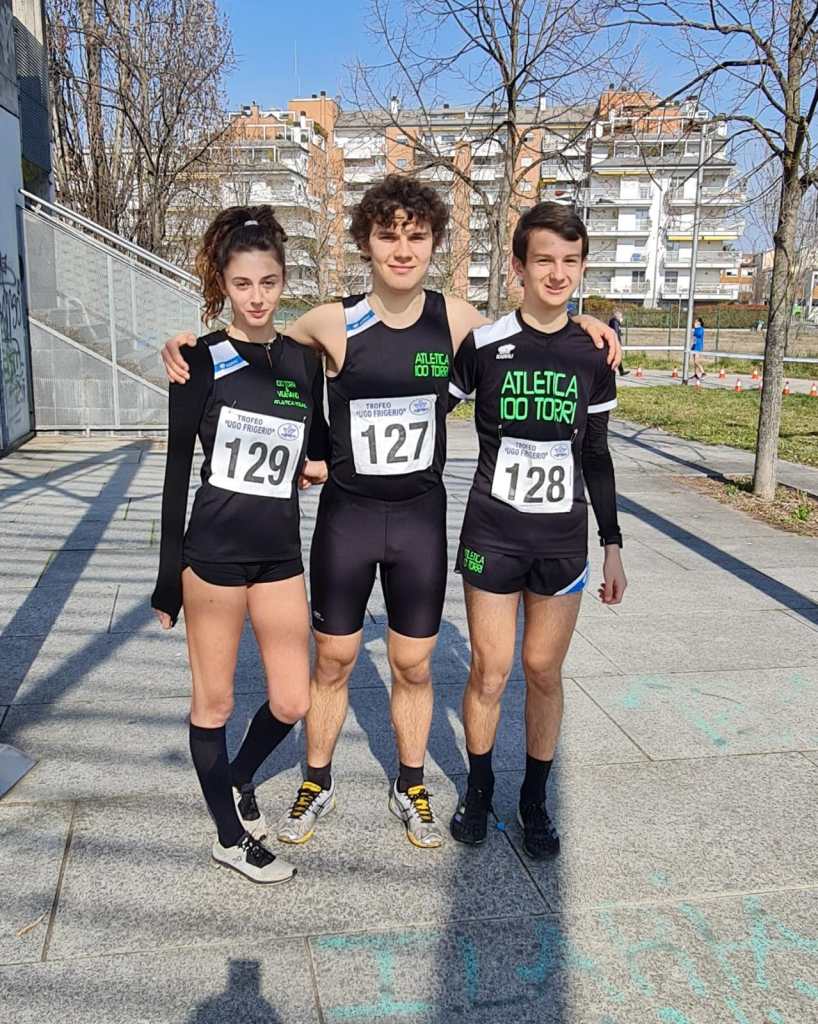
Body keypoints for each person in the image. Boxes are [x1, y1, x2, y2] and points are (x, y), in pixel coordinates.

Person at [159, 175, 621, 851]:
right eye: (387, 236)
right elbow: (256, 339)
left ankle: (411, 784)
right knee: (333, 660)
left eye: (417, 237)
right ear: (366, 244)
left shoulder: (457, 319)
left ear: (434, 243)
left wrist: (583, 322)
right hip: (347, 520)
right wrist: (186, 348)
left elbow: (533, 325)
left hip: (419, 522)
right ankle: (316, 780)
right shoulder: (329, 321)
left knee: (413, 664)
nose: (402, 250)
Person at [151, 206, 329, 883]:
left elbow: (314, 444)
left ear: (284, 281)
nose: (257, 297)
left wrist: (313, 465)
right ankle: (229, 838)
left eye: (269, 283)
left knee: (292, 700)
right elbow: (175, 471)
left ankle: (237, 776)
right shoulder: (197, 359)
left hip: (279, 554)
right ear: (223, 285)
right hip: (213, 556)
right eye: (243, 284)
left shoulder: (303, 361)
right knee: (215, 703)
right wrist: (167, 578)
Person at [447, 202, 627, 859]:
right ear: (518, 266)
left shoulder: (593, 353)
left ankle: (533, 800)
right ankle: (479, 789)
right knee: (490, 671)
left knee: (543, 670)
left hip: (561, 542)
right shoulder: (484, 344)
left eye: (570, 261)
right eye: (544, 259)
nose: (557, 273)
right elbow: (426, 410)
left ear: (582, 267)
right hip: (492, 535)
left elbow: (597, 456)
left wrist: (613, 545)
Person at [607, 308, 630, 376]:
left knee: (616, 356)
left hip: (614, 341)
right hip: (615, 342)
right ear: (618, 316)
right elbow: (615, 332)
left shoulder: (615, 322)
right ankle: (619, 371)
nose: (621, 318)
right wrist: (617, 343)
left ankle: (621, 371)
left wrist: (620, 333)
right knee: (616, 356)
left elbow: (616, 331)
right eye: (621, 316)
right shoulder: (615, 322)